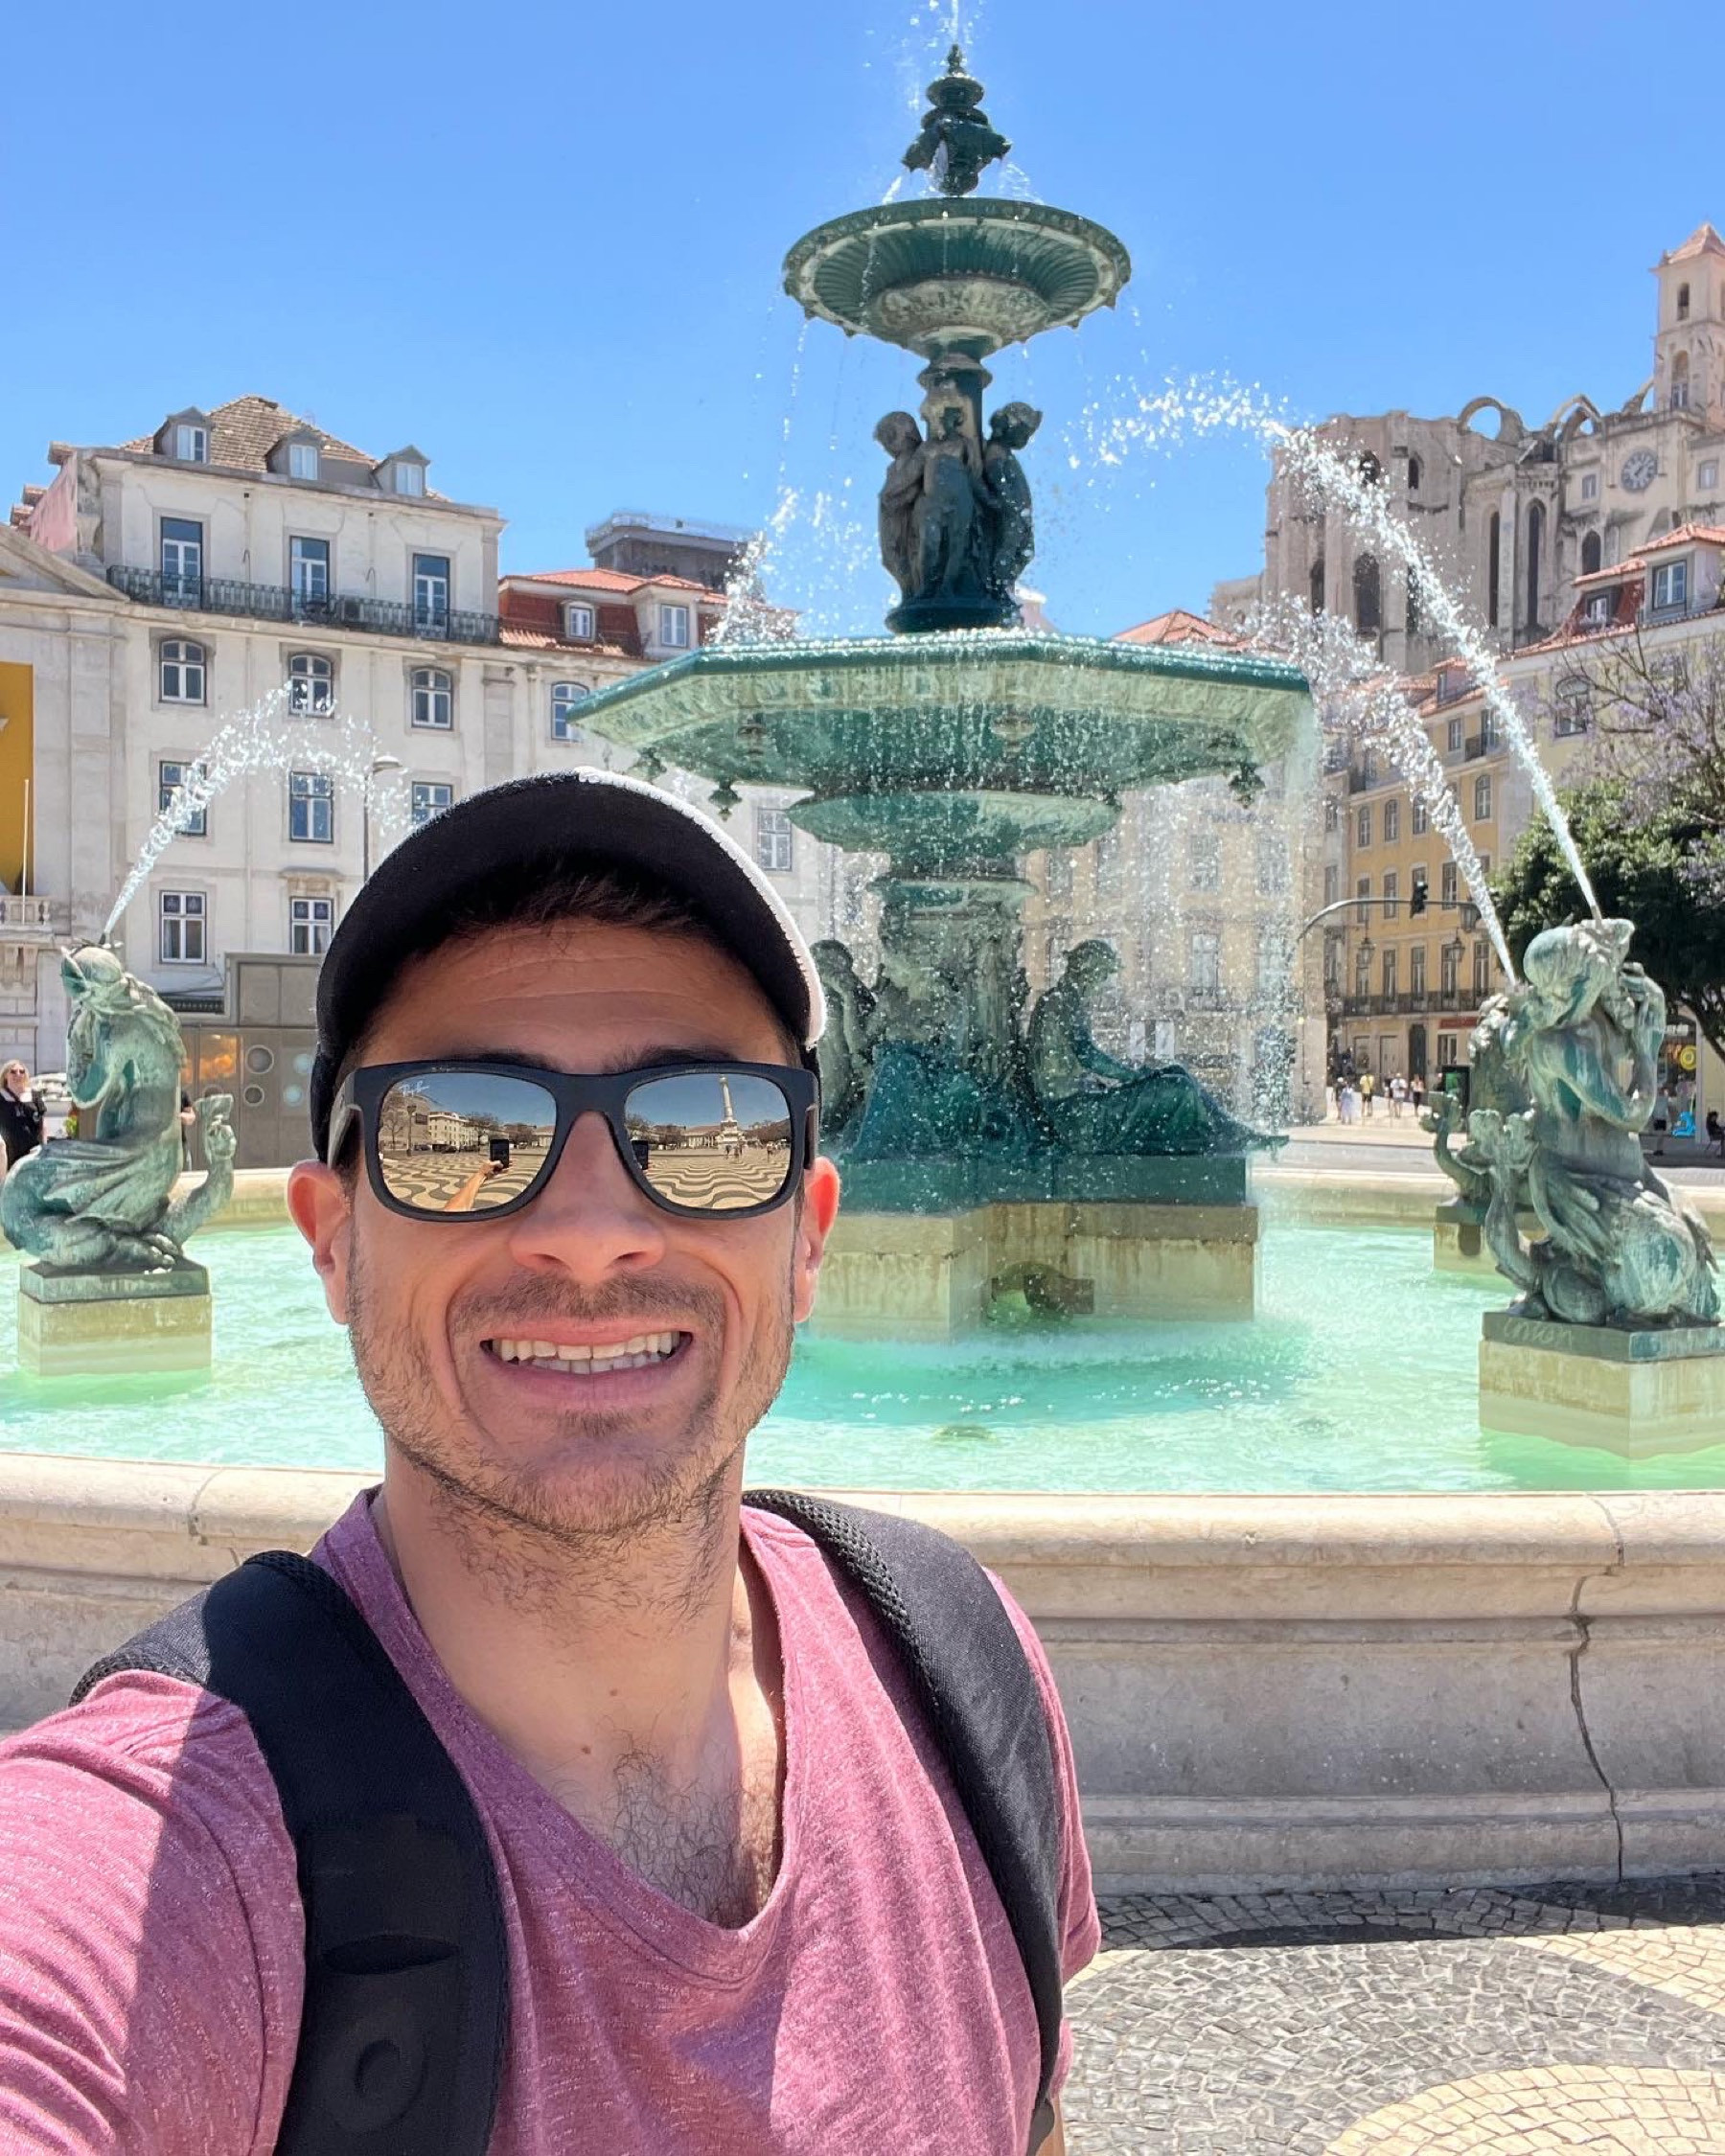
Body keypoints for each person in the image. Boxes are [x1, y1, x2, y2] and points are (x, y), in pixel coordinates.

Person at [0, 771, 1097, 2154]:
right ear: (332, 1240)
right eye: (462, 1133)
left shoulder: (962, 1665)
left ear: (809, 1235)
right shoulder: (175, 1845)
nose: (590, 1231)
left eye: (705, 1130)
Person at [0, 1058, 45, 1169]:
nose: (18, 1074)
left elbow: (43, 1123)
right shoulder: (1, 1096)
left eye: (22, 1071)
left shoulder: (35, 1096)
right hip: (9, 1151)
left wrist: (44, 1147)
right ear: (5, 1075)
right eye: (13, 1072)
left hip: (33, 1150)